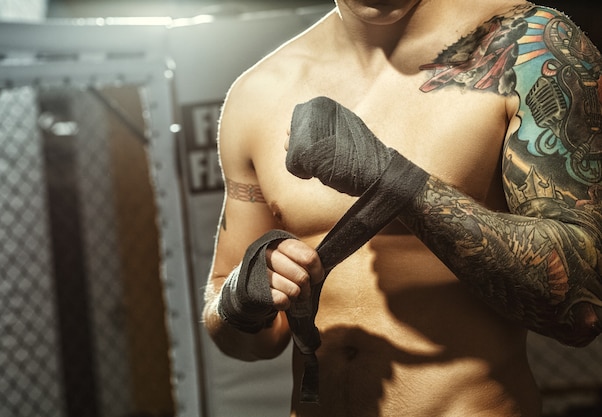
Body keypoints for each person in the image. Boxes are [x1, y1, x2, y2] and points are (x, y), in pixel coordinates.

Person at [202, 0, 602, 415]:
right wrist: (239, 301)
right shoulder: (258, 92)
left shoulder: (526, 45)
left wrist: (398, 184)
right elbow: (238, 333)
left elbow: (583, 303)